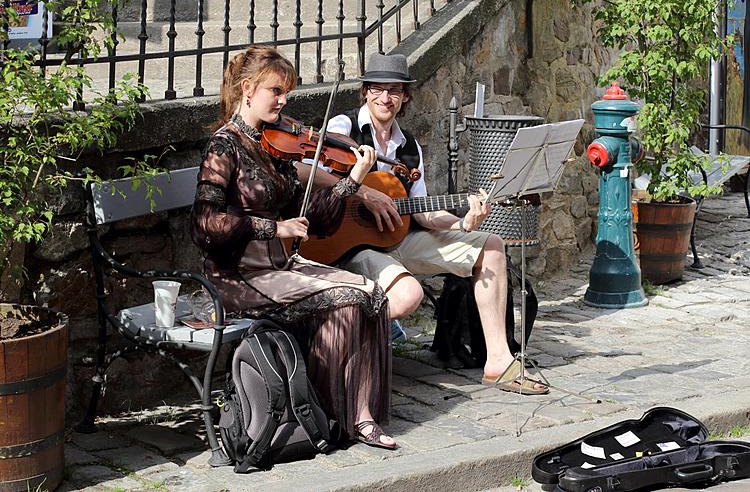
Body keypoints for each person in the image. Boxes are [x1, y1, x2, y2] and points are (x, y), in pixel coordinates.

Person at [296, 52, 548, 395]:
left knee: (491, 245)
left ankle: (499, 362)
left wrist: (464, 223)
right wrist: (364, 193)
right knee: (406, 297)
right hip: (349, 242)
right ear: (365, 92)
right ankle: (329, 348)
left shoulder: (408, 147)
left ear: (405, 96)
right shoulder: (344, 127)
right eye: (379, 90)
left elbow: (424, 212)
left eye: (395, 91)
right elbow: (302, 171)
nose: (386, 98)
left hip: (400, 237)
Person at [190, 46, 398, 449]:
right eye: (276, 91)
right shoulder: (223, 147)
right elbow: (204, 225)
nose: (284, 101)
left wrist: (352, 180)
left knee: (371, 293)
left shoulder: (274, 147)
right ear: (248, 89)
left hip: (282, 268)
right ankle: (331, 415)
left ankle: (355, 415)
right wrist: (273, 228)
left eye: (286, 92)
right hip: (238, 276)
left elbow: (316, 220)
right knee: (345, 298)